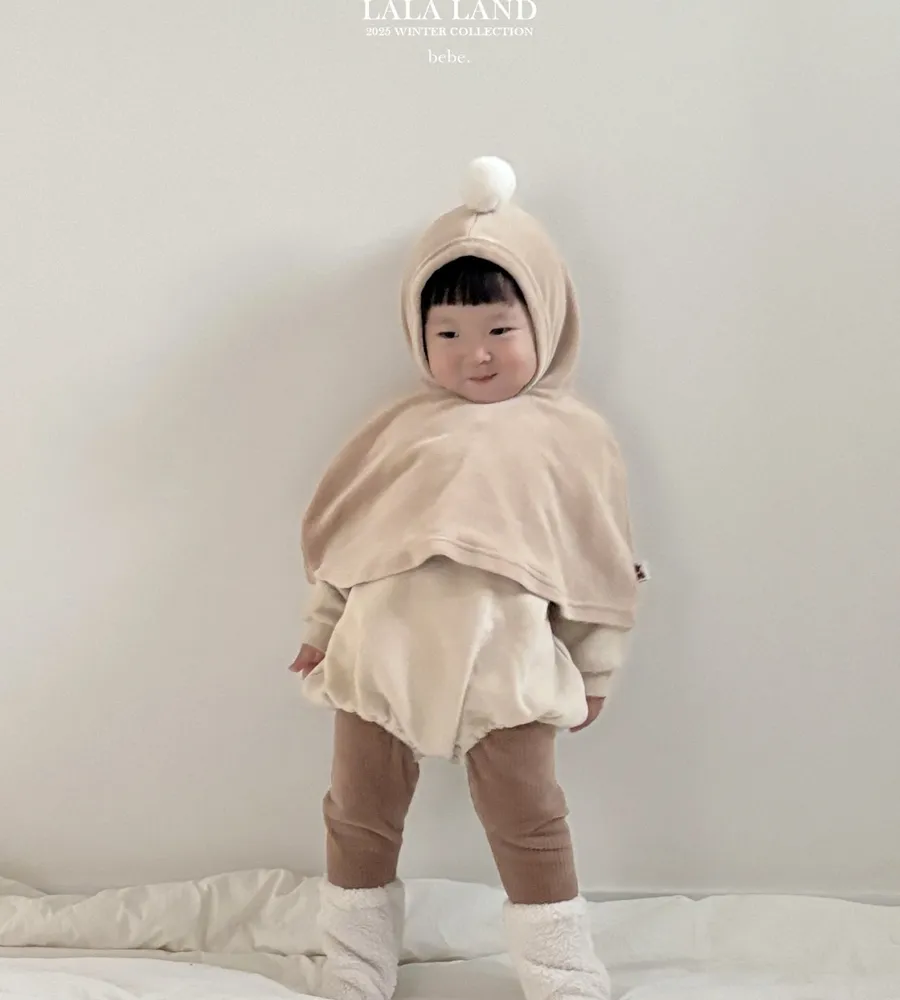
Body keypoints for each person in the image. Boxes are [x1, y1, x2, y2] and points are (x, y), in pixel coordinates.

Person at [289, 156, 644, 1000]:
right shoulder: (400, 432)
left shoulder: (573, 439)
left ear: (544, 319)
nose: (474, 354)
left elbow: (597, 563)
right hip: (381, 654)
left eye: (498, 329)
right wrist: (319, 630)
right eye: (446, 334)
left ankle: (561, 969)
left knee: (530, 818)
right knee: (358, 814)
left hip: (505, 661)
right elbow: (355, 544)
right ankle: (355, 964)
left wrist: (595, 670)